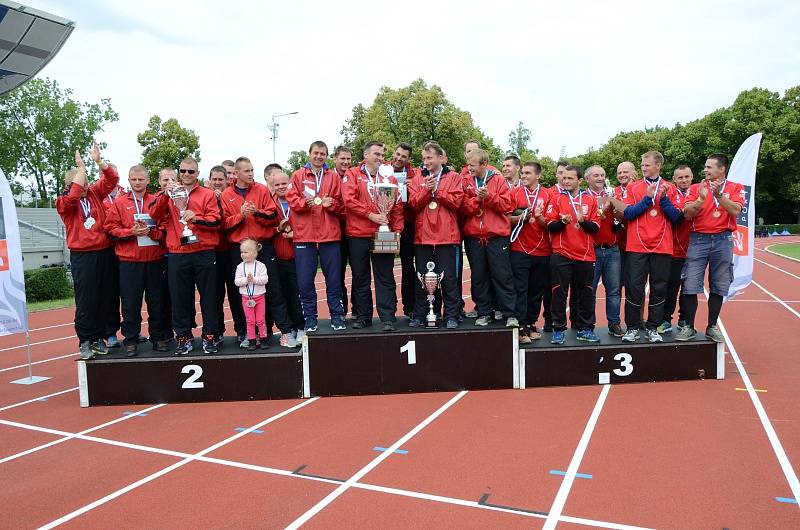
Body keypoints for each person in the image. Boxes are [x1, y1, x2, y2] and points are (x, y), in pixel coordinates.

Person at [149, 156, 222, 355]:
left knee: (209, 297)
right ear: (178, 172)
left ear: (198, 173)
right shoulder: (169, 193)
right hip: (177, 252)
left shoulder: (207, 194)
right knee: (179, 298)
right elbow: (153, 216)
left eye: (191, 171)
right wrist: (165, 194)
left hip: (204, 251)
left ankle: (210, 336)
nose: (186, 175)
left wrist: (196, 217)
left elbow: (216, 221)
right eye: (183, 171)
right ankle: (183, 337)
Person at [221, 157, 295, 347]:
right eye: (246, 171)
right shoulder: (226, 194)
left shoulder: (261, 189)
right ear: (236, 173)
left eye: (252, 170)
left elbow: (272, 216)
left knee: (273, 289)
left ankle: (286, 331)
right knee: (241, 293)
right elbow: (223, 224)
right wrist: (240, 216)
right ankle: (246, 333)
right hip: (239, 251)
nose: (251, 173)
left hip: (262, 246)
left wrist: (256, 213)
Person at [55, 141, 119, 360]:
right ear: (70, 184)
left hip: (104, 252)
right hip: (83, 256)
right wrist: (81, 169)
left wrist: (98, 162)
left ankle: (98, 337)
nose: (84, 187)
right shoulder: (63, 202)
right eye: (79, 183)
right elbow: (73, 196)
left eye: (85, 183)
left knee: (104, 297)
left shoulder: (93, 193)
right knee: (86, 300)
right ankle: (85, 339)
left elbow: (112, 180)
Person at [677, 154, 745, 343]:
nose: (705, 170)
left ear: (721, 169)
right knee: (690, 283)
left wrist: (719, 196)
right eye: (705, 167)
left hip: (723, 239)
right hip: (698, 239)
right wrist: (700, 199)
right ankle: (688, 326)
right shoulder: (695, 188)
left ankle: (712, 326)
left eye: (709, 167)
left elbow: (736, 211)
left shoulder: (735, 188)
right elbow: (688, 215)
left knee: (719, 284)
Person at [104, 165, 171, 356]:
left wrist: (152, 232)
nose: (137, 182)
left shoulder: (157, 201)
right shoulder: (120, 203)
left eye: (141, 179)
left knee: (157, 302)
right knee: (130, 303)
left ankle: (158, 338)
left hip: (154, 259)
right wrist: (130, 232)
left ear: (148, 180)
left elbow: (165, 228)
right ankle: (131, 340)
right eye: (134, 179)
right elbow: (110, 228)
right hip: (130, 261)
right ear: (129, 180)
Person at [618, 151, 682, 343]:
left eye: (647, 165)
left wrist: (662, 199)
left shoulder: (670, 188)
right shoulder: (633, 187)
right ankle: (632, 327)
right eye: (642, 164)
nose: (643, 168)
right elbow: (628, 213)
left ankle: (653, 327)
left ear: (658, 166)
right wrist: (647, 199)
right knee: (634, 287)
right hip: (637, 246)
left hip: (662, 246)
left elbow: (676, 218)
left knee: (659, 287)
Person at [343, 141, 404, 331]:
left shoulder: (389, 178)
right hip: (358, 233)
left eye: (382, 154)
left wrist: (398, 231)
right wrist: (370, 215)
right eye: (376, 154)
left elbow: (398, 206)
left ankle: (387, 317)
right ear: (366, 155)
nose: (380, 157)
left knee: (385, 276)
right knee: (360, 277)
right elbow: (349, 200)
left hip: (383, 234)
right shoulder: (352, 174)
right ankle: (363, 317)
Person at [286, 141, 346, 332]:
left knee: (334, 280)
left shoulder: (334, 177)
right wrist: (305, 202)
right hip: (305, 237)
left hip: (329, 236)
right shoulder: (297, 175)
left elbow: (343, 206)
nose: (319, 156)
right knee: (304, 282)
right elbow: (292, 201)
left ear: (327, 156)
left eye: (322, 153)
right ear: (309, 154)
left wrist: (332, 204)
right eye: (316, 153)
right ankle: (310, 318)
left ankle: (337, 317)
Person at [408, 141, 464, 329]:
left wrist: (437, 191)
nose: (426, 162)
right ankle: (421, 314)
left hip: (446, 236)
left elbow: (457, 203)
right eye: (424, 158)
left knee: (448, 279)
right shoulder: (418, 178)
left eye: (430, 158)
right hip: (423, 237)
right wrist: (426, 190)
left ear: (440, 158)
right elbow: (413, 204)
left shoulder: (454, 177)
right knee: (422, 279)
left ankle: (451, 316)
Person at [461, 148, 518, 328]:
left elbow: (507, 206)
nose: (469, 168)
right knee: (479, 277)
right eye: (468, 164)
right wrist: (478, 199)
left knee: (503, 276)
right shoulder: (466, 181)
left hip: (496, 236)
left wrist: (490, 196)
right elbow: (463, 208)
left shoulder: (498, 180)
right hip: (474, 237)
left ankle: (510, 314)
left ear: (484, 164)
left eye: (472, 165)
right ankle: (484, 312)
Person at [545, 165, 601, 344]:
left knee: (585, 294)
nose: (566, 181)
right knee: (559, 293)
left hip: (585, 255)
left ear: (579, 180)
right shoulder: (556, 199)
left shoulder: (590, 200)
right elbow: (550, 226)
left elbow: (595, 228)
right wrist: (561, 222)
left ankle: (585, 328)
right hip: (561, 253)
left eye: (570, 178)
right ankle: (558, 329)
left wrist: (583, 221)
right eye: (564, 178)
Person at [509, 162, 552, 342]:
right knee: (521, 289)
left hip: (543, 250)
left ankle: (531, 322)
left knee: (536, 290)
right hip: (519, 248)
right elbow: (506, 218)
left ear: (538, 176)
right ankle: (520, 325)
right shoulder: (514, 193)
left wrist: (540, 218)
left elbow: (551, 222)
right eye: (523, 172)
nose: (524, 175)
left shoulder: (548, 195)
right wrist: (521, 218)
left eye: (528, 173)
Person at [585, 165, 624, 338]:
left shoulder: (612, 195)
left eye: (602, 175)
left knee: (614, 290)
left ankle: (614, 323)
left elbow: (623, 216)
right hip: (591, 250)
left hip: (612, 249)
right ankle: (588, 325)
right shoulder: (583, 197)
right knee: (590, 290)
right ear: (587, 179)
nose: (600, 178)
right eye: (596, 175)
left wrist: (614, 207)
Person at [267, 168, 305, 342]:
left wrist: (295, 234)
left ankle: (301, 327)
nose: (282, 187)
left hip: (297, 255)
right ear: (272, 186)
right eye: (277, 184)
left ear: (290, 183)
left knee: (297, 294)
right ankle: (286, 330)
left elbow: (308, 226)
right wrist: (278, 229)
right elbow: (264, 229)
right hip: (277, 256)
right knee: (279, 295)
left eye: (284, 183)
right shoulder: (269, 203)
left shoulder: (297, 202)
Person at [207, 165, 244, 343]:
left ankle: (241, 330)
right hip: (212, 252)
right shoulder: (206, 197)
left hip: (231, 251)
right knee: (214, 295)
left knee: (236, 293)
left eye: (220, 179)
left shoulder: (231, 196)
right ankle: (217, 331)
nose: (217, 182)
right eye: (214, 179)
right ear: (209, 180)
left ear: (227, 180)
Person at [659, 165, 693, 334]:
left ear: (692, 177)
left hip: (694, 250)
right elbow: (675, 217)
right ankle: (666, 319)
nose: (684, 180)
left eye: (686, 176)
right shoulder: (670, 193)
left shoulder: (697, 192)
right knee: (671, 288)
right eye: (680, 178)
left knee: (689, 288)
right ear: (674, 180)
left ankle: (684, 320)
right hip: (673, 250)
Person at [390, 143, 420, 317]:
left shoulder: (414, 174)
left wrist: (412, 185)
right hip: (387, 224)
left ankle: (411, 307)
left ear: (408, 159)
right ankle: (389, 310)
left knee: (410, 267)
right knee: (386, 269)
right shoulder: (383, 170)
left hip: (410, 225)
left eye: (404, 156)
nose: (399, 158)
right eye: (398, 154)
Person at [234, 238, 269, 350]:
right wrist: (246, 280)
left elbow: (265, 280)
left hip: (260, 297)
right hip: (246, 298)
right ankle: (252, 341)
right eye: (241, 252)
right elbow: (237, 282)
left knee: (260, 319)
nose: (243, 254)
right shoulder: (240, 267)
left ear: (254, 253)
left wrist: (253, 279)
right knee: (250, 321)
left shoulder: (261, 266)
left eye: (246, 252)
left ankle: (263, 339)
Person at [332, 145, 354, 319]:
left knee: (358, 272)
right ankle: (340, 311)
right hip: (335, 233)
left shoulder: (355, 176)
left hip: (354, 231)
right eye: (342, 159)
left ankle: (358, 310)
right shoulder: (328, 178)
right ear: (335, 159)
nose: (346, 162)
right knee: (337, 274)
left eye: (348, 159)